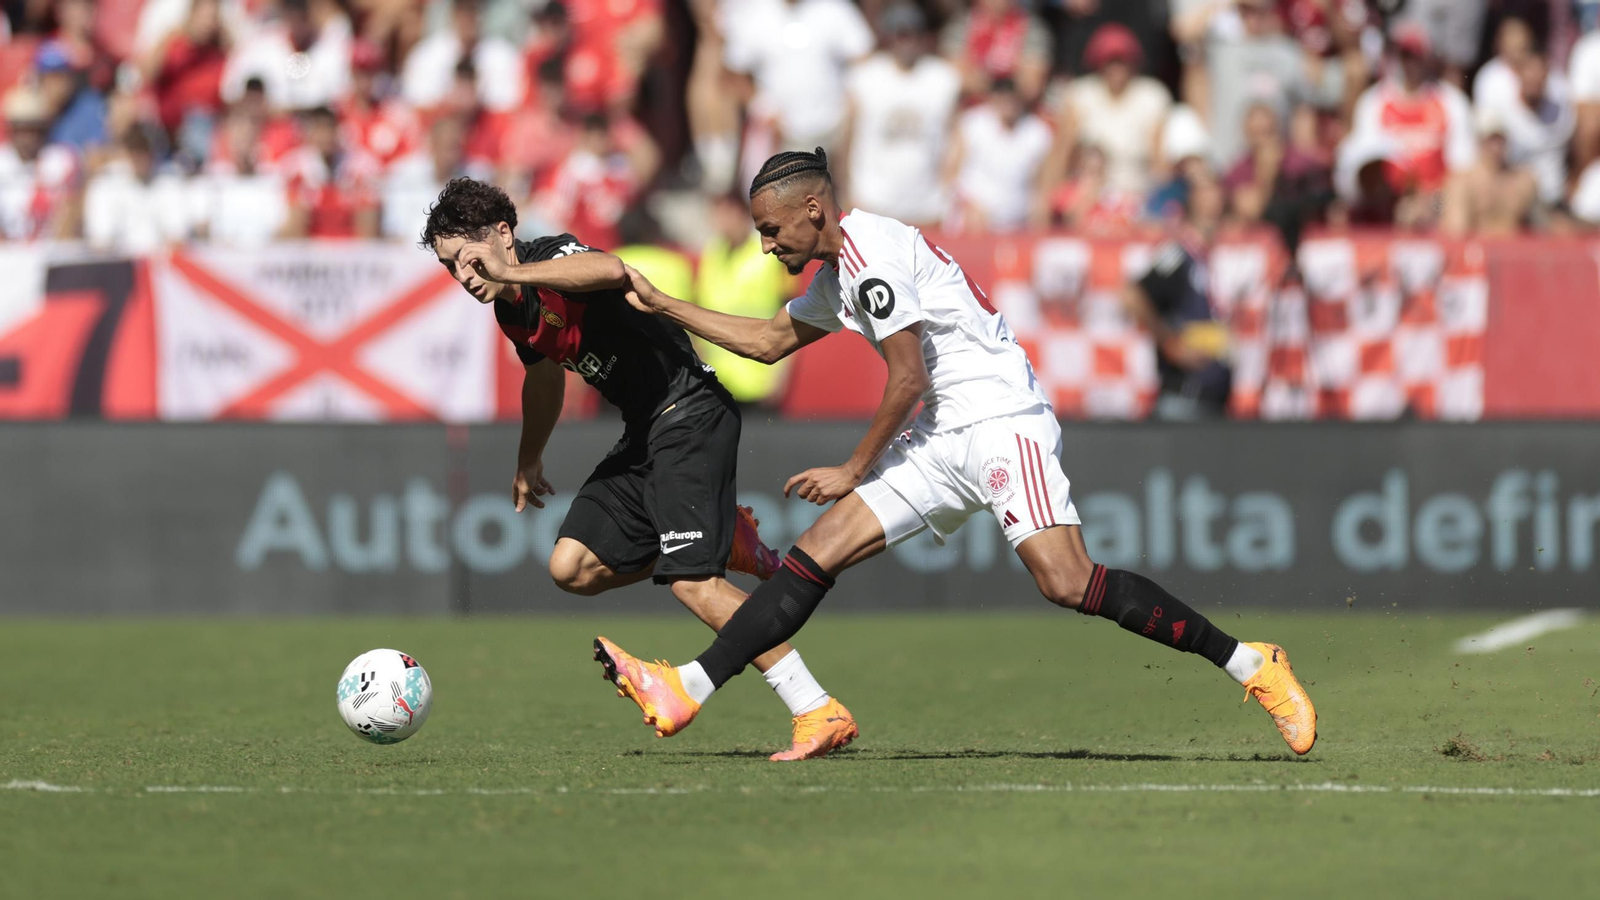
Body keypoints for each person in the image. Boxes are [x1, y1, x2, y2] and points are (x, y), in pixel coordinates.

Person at [593, 148, 1318, 757]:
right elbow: (767, 342)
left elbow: (906, 376)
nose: (766, 244)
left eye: (772, 228)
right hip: (944, 433)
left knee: (1066, 583)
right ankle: (700, 689)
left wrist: (853, 467)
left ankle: (1253, 663)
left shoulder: (870, 254)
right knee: (818, 551)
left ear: (813, 209)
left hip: (1002, 419)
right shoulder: (837, 274)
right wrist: (665, 305)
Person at [418, 177, 858, 761]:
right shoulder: (511, 311)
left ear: (503, 235)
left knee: (692, 583)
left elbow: (611, 272)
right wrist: (529, 456)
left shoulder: (547, 258)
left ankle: (816, 708)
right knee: (570, 566)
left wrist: (511, 272)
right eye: (452, 269)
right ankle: (723, 541)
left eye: (468, 260)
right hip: (645, 431)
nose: (465, 277)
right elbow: (545, 375)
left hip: (690, 411)